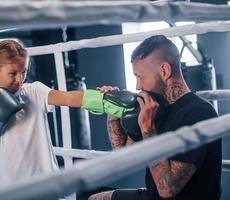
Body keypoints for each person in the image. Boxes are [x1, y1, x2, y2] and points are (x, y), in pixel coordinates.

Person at [0, 39, 139, 186]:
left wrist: (103, 99)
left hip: (46, 182)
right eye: (13, 73)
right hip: (12, 186)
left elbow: (68, 98)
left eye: (24, 72)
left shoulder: (34, 91)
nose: (20, 80)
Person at [89, 35, 221, 200]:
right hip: (151, 196)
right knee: (95, 199)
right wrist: (113, 111)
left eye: (140, 77)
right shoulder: (154, 107)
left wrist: (148, 130)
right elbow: (122, 156)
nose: (138, 86)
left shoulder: (199, 114)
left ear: (164, 70)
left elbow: (167, 189)